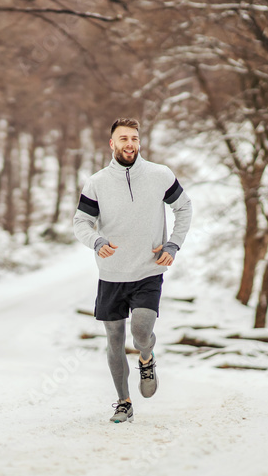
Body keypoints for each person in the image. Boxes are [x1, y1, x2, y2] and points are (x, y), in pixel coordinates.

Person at [73, 118, 192, 423]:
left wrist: (173, 245)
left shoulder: (159, 175)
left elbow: (183, 207)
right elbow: (81, 222)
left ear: (140, 142)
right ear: (112, 144)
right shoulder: (97, 182)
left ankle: (147, 357)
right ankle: (123, 401)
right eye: (123, 139)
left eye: (135, 139)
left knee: (141, 331)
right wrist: (96, 241)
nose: (130, 144)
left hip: (147, 271)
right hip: (111, 275)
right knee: (114, 341)